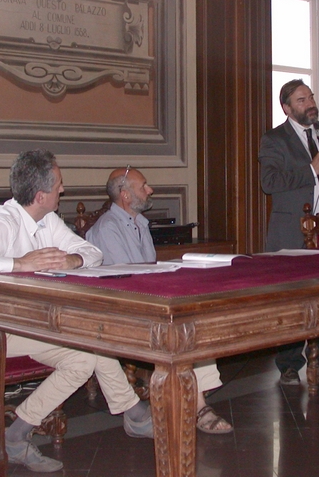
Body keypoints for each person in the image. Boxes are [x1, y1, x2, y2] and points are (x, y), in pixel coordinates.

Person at [0, 150, 153, 473]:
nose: (63, 190)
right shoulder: (3, 222)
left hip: (28, 321)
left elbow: (92, 253)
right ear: (40, 195)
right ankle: (134, 414)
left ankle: (16, 434)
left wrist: (73, 260)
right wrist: (18, 264)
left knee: (84, 356)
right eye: (58, 184)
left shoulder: (48, 221)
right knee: (87, 347)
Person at [85, 167, 233, 434]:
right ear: (125, 195)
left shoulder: (140, 224)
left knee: (193, 324)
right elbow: (129, 279)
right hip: (123, 310)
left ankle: (192, 396)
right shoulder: (108, 228)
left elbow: (150, 269)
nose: (150, 190)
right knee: (183, 331)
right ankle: (197, 406)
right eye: (144, 186)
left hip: (148, 301)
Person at [258, 79, 319, 386]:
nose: (310, 103)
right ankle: (288, 363)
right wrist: (311, 169)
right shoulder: (274, 139)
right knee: (291, 299)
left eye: (310, 97)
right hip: (291, 231)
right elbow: (268, 183)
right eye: (301, 100)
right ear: (287, 108)